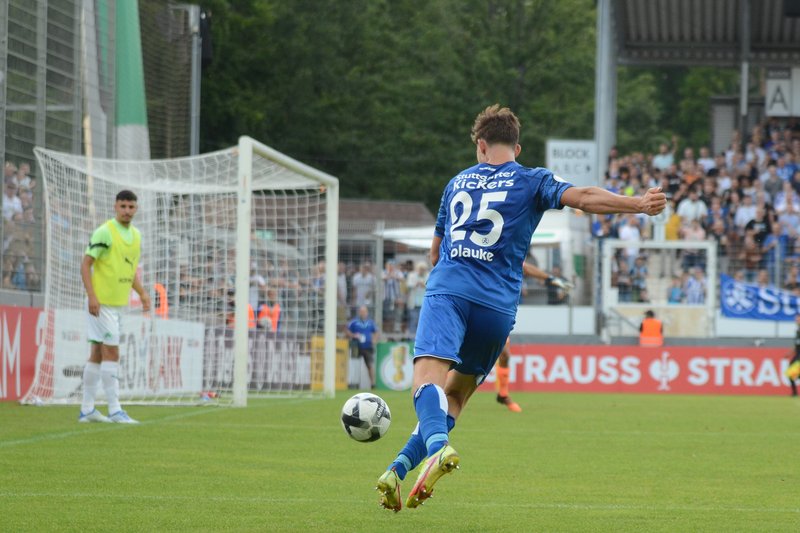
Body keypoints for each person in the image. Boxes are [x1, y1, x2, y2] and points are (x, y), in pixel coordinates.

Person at [375, 104, 666, 512]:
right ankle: (398, 468)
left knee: (426, 381)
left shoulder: (456, 184)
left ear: (480, 145)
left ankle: (438, 447)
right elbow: (582, 197)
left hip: (451, 290)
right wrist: (637, 205)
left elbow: (435, 253)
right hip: (496, 307)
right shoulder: (533, 180)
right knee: (456, 396)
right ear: (517, 146)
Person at [79, 190, 150, 424]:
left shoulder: (136, 236)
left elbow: (129, 271)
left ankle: (87, 410)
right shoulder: (105, 231)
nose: (127, 211)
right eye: (123, 206)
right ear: (115, 207)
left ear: (136, 209)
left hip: (117, 305)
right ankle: (114, 409)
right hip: (101, 303)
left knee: (97, 353)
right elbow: (86, 263)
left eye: (131, 207)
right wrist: (91, 296)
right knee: (112, 352)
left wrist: (142, 293)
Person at [494, 261, 573, 412]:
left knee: (504, 354)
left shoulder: (506, 251)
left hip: (495, 311)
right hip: (473, 306)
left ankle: (503, 394)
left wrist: (551, 279)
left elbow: (526, 267)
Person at [346, 305, 379, 389]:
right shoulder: (354, 322)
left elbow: (376, 332)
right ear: (359, 312)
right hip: (356, 346)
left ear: (367, 313)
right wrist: (353, 335)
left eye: (364, 311)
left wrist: (374, 340)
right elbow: (347, 331)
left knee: (369, 365)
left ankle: (372, 384)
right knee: (354, 364)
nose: (363, 313)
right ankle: (353, 383)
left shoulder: (370, 322)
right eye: (361, 311)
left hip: (368, 346)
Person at [785, 313, 800, 397]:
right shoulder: (797, 331)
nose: (796, 320)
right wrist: (789, 353)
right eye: (796, 319)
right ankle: (794, 392)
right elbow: (796, 346)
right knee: (790, 373)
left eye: (798, 319)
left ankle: (794, 392)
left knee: (793, 373)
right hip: (797, 355)